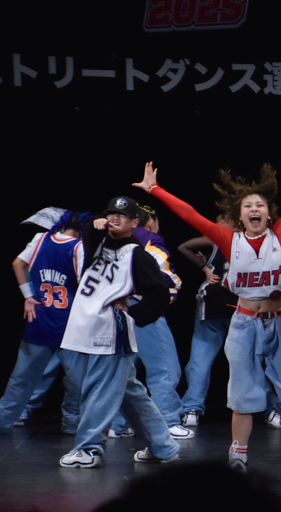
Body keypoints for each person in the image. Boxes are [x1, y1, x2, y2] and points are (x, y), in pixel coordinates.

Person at [134, 136, 281, 480]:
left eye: (260, 205)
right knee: (242, 395)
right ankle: (238, 457)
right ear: (240, 215)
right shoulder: (229, 239)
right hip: (244, 323)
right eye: (248, 206)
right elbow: (190, 214)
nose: (254, 209)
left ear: (269, 214)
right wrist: (155, 190)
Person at [58, 197, 179, 468]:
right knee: (130, 395)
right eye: (111, 213)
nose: (114, 218)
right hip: (88, 328)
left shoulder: (137, 255)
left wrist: (133, 314)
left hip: (111, 330)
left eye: (121, 215)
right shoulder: (98, 245)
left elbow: (160, 294)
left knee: (98, 390)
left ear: (135, 223)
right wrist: (95, 223)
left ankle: (89, 449)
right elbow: (89, 237)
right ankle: (163, 447)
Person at [107, 205, 192, 440]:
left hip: (114, 308)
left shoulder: (109, 239)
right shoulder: (149, 239)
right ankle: (167, 421)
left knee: (125, 370)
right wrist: (167, 296)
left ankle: (116, 423)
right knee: (164, 368)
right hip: (142, 306)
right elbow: (167, 276)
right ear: (150, 221)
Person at [0, 211, 87, 436]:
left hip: (39, 320)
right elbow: (83, 283)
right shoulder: (78, 247)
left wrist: (28, 296)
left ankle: (3, 420)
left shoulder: (40, 239)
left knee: (21, 379)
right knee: (77, 380)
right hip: (69, 326)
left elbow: (17, 263)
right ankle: (71, 423)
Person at [174, 217, 239, 427]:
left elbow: (183, 247)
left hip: (216, 302)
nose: (216, 223)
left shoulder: (216, 237)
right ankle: (267, 407)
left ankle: (191, 408)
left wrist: (205, 268)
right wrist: (205, 267)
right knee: (251, 359)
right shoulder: (252, 239)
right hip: (237, 304)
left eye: (220, 219)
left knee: (201, 359)